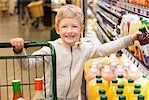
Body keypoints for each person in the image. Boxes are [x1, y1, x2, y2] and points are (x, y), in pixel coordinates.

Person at [10, 4, 142, 100]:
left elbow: (104, 49)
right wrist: (19, 50)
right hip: (50, 98)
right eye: (64, 26)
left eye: (74, 26)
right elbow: (27, 65)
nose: (69, 31)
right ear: (57, 29)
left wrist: (130, 39)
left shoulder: (84, 49)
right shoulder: (51, 48)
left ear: (81, 29)